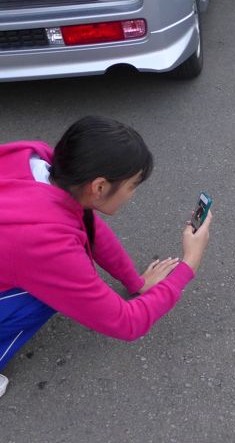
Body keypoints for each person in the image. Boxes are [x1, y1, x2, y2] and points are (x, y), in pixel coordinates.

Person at [0, 116, 212, 397]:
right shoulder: (42, 241)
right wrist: (189, 264)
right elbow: (126, 322)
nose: (132, 195)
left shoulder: (35, 160)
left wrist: (135, 281)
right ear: (99, 187)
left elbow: (86, 224)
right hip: (29, 249)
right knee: (48, 293)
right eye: (133, 185)